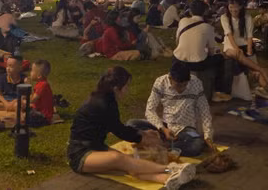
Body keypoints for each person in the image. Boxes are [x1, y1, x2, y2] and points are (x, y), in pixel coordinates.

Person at [66, 66, 197, 189]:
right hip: (80, 154)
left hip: (97, 147)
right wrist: (143, 137)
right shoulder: (101, 104)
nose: (128, 89)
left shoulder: (107, 99)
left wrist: (143, 134)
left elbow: (119, 127)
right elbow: (120, 131)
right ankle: (172, 169)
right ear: (116, 88)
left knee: (131, 163)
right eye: (126, 86)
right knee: (119, 159)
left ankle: (167, 179)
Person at [127, 61, 214, 158]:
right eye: (178, 85)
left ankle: (162, 146)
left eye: (184, 85)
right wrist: (163, 129)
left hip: (185, 129)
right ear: (170, 78)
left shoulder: (196, 83)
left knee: (196, 145)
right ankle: (166, 144)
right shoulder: (160, 82)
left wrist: (208, 136)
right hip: (164, 125)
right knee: (132, 124)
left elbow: (204, 110)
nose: (181, 89)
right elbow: (150, 110)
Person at [174, 0, 231, 102]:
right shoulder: (207, 27)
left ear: (190, 11)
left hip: (178, 59)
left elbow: (177, 40)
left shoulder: (183, 21)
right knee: (220, 59)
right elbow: (212, 50)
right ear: (205, 12)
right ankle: (218, 90)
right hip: (197, 64)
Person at [220, 0, 268, 97]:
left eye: (235, 7)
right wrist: (237, 49)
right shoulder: (224, 17)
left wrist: (249, 50)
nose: (233, 10)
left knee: (251, 65)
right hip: (230, 46)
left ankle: (266, 86)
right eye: (231, 7)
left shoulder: (247, 17)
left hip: (245, 45)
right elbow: (229, 35)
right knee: (237, 54)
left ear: (241, 7)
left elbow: (250, 36)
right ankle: (261, 69)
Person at [27, 59, 54, 127]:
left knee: (22, 116)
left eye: (32, 71)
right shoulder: (41, 84)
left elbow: (32, 100)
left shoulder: (42, 85)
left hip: (43, 117)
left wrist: (28, 86)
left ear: (39, 76)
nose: (30, 72)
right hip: (38, 111)